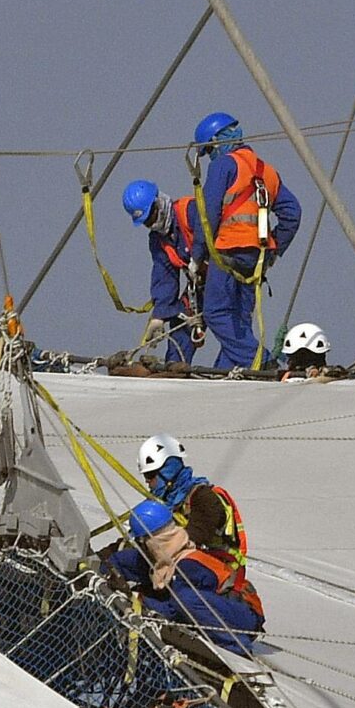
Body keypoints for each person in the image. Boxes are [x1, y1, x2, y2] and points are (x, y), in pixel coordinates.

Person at [192, 112, 301, 371]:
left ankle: (264, 363)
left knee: (216, 315)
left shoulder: (224, 165)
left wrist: (197, 255)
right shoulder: (267, 171)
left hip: (228, 253)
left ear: (218, 141)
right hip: (256, 259)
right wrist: (273, 251)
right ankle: (224, 373)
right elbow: (292, 214)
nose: (211, 156)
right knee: (239, 322)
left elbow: (207, 213)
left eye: (209, 149)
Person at [104, 498, 264, 654]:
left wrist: (137, 598)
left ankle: (235, 647)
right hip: (218, 607)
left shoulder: (188, 565)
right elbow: (122, 560)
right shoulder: (163, 558)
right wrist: (106, 575)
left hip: (243, 616)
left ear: (151, 541)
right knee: (141, 569)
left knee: (185, 598)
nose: (139, 546)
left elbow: (171, 610)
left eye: (141, 542)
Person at [120, 178, 204, 364]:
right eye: (146, 222)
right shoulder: (159, 240)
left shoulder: (189, 211)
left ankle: (251, 366)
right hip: (201, 285)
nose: (152, 223)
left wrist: (198, 257)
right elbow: (164, 276)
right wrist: (159, 316)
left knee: (224, 320)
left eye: (152, 215)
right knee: (181, 323)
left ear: (160, 202)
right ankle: (174, 370)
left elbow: (210, 235)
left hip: (227, 277)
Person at [135, 434, 246, 564]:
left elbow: (194, 536)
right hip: (178, 562)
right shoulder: (162, 501)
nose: (147, 481)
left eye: (150, 474)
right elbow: (138, 531)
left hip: (217, 567)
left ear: (168, 471)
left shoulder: (203, 497)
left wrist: (151, 548)